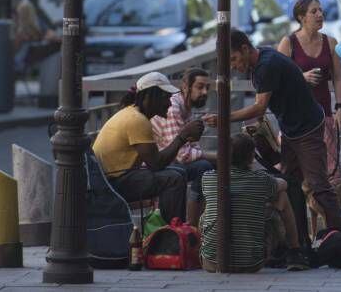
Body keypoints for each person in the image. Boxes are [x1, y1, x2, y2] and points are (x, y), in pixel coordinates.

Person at [203, 30, 341, 236]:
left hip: (306, 128)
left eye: (234, 59)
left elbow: (259, 107)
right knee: (289, 184)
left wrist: (223, 117)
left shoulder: (266, 66)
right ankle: (298, 241)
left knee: (319, 186)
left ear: (245, 48)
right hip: (292, 129)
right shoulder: (261, 59)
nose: (234, 66)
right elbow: (265, 103)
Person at [92, 72, 205, 224]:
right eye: (166, 98)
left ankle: (172, 228)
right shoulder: (137, 120)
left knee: (179, 172)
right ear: (150, 97)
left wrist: (182, 138)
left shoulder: (134, 114)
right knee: (173, 179)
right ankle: (170, 234)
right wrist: (182, 137)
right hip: (112, 183)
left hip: (116, 177)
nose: (170, 104)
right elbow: (156, 164)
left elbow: (156, 162)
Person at [200, 132, 311, 273]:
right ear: (252, 157)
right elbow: (284, 184)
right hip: (250, 263)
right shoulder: (260, 180)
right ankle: (295, 250)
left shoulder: (208, 178)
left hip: (212, 262)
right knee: (281, 196)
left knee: (209, 211)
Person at [276, 0, 341, 182]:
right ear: (301, 17)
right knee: (295, 173)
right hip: (295, 119)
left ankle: (329, 211)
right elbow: (276, 79)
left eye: (321, 11)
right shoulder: (288, 43)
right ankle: (298, 211)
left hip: (324, 116)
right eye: (314, 11)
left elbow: (338, 78)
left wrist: (339, 107)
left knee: (331, 174)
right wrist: (301, 77)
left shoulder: (331, 42)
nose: (320, 15)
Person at [150, 67, 217, 225]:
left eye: (207, 88)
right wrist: (216, 156)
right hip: (158, 163)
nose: (205, 92)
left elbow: (193, 147)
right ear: (186, 86)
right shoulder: (174, 108)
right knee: (206, 167)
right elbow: (182, 155)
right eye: (200, 87)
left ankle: (200, 223)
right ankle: (192, 224)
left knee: (210, 167)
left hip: (170, 160)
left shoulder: (187, 108)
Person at [13, 1, 60, 72]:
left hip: (26, 60)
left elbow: (52, 35)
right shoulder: (18, 26)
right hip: (29, 59)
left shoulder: (37, 23)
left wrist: (43, 38)